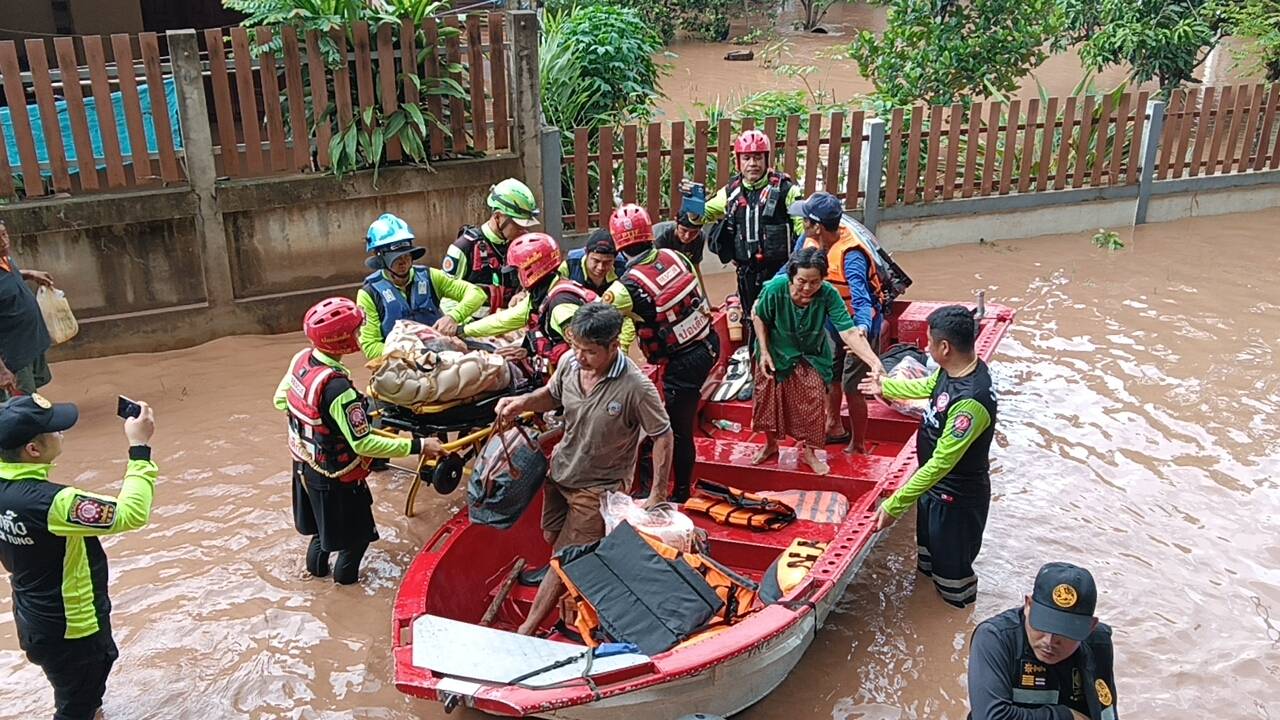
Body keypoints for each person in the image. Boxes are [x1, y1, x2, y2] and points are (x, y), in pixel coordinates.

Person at [493, 303, 673, 635]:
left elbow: (663, 434)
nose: (580, 356)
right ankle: (582, 581)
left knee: (563, 559)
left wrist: (657, 493)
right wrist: (522, 403)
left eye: (590, 351)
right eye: (576, 346)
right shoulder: (569, 363)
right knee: (552, 537)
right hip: (561, 472)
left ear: (613, 346)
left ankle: (527, 629)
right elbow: (552, 395)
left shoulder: (635, 387)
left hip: (599, 487)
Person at [0, 393, 157, 720]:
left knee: (76, 695)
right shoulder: (54, 503)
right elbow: (131, 514)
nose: (61, 432)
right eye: (54, 429)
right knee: (76, 708)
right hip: (74, 630)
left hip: (33, 619)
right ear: (33, 450)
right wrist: (139, 448)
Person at [274, 297, 444, 585]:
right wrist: (418, 445)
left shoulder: (301, 360)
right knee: (355, 542)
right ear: (341, 340)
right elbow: (363, 444)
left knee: (322, 534)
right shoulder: (338, 389)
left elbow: (281, 401)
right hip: (336, 478)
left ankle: (316, 581)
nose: (360, 336)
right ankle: (345, 590)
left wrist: (322, 421)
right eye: (355, 331)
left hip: (305, 466)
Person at [859, 305, 996, 608]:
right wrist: (886, 385)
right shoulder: (953, 371)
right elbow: (928, 386)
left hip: (956, 501)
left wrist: (895, 504)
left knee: (952, 580)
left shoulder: (970, 402)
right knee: (927, 563)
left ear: (945, 347)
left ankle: (954, 624)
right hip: (932, 492)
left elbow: (941, 464)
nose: (926, 348)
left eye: (930, 342)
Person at [602, 203, 718, 503]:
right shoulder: (676, 256)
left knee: (677, 431)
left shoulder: (624, 288)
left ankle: (679, 494)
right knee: (678, 424)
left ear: (619, 246)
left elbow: (596, 323)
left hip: (682, 364)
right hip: (709, 343)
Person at [751, 247, 882, 475]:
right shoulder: (776, 288)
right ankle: (770, 445)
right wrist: (764, 350)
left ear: (823, 278)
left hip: (810, 353)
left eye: (814, 282)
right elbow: (759, 315)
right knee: (766, 400)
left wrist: (873, 361)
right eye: (801, 281)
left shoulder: (828, 294)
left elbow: (848, 331)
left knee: (813, 402)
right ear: (791, 276)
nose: (807, 288)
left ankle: (810, 452)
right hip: (774, 350)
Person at [684, 129, 804, 345]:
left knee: (784, 325)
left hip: (781, 274)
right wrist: (693, 205)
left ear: (767, 159)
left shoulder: (787, 190)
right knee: (752, 322)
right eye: (747, 158)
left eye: (758, 158)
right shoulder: (730, 191)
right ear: (738, 161)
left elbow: (803, 232)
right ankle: (756, 359)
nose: (752, 164)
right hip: (747, 274)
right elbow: (702, 216)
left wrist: (798, 268)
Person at [792, 191, 889, 454]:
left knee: (852, 386)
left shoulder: (851, 255)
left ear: (818, 226)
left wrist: (861, 330)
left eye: (805, 220)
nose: (802, 224)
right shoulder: (807, 241)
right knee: (829, 374)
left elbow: (862, 301)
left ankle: (858, 444)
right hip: (830, 320)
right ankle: (833, 425)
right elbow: (789, 271)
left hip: (858, 325)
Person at [968, 562, 1117, 720]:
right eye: (1043, 625)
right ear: (1028, 606)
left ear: (1090, 627)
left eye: (1065, 632)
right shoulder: (996, 639)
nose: (1049, 641)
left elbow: (1106, 712)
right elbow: (990, 717)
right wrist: (1066, 717)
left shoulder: (1099, 643)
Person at [462, 232, 597, 377]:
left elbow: (589, 354)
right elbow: (505, 319)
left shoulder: (560, 306)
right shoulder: (545, 294)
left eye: (516, 271)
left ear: (530, 269)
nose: (515, 276)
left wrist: (552, 386)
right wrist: (464, 330)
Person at [356, 213, 487, 361]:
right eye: (395, 257)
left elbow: (477, 294)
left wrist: (453, 317)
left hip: (442, 356)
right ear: (379, 255)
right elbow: (370, 347)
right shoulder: (369, 293)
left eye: (407, 255)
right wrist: (415, 353)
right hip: (401, 362)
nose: (403, 262)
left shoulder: (430, 276)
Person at [443, 178, 542, 316]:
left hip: (513, 322)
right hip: (474, 324)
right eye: (517, 224)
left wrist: (523, 294)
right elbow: (447, 299)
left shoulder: (524, 246)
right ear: (497, 217)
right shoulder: (464, 247)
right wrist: (465, 325)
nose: (523, 230)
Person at [0, 220, 57, 400]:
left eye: (4, 234)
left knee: (31, 388)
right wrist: (2, 370)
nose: (4, 242)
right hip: (12, 355)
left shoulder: (5, 259)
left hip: (28, 343)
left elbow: (10, 275)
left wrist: (30, 273)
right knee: (21, 401)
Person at [558, 228, 627, 296]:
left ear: (615, 258)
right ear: (586, 253)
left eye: (607, 262)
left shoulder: (623, 269)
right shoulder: (569, 267)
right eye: (596, 261)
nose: (600, 267)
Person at [653, 215, 709, 295]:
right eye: (684, 230)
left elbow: (695, 268)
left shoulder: (700, 237)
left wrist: (703, 295)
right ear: (676, 223)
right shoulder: (661, 237)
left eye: (694, 232)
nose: (687, 236)